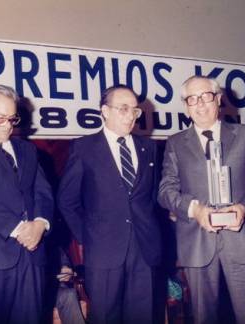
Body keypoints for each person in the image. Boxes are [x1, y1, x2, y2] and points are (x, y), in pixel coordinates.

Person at [158, 75, 245, 324]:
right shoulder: (175, 143)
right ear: (186, 106)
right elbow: (166, 191)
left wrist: (244, 208)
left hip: (241, 240)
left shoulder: (244, 135)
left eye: (206, 96)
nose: (200, 104)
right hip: (196, 244)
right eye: (192, 99)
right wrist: (195, 209)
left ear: (219, 100)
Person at [57, 84, 162, 323]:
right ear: (104, 110)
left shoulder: (149, 148)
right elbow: (66, 201)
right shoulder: (83, 148)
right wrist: (87, 236)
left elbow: (152, 197)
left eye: (135, 110)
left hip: (145, 250)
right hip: (103, 252)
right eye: (123, 108)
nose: (130, 116)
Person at [0, 84, 53, 324]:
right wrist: (17, 229)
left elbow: (44, 193)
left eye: (12, 118)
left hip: (32, 259)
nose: (7, 125)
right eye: (0, 118)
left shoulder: (27, 150)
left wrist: (40, 224)